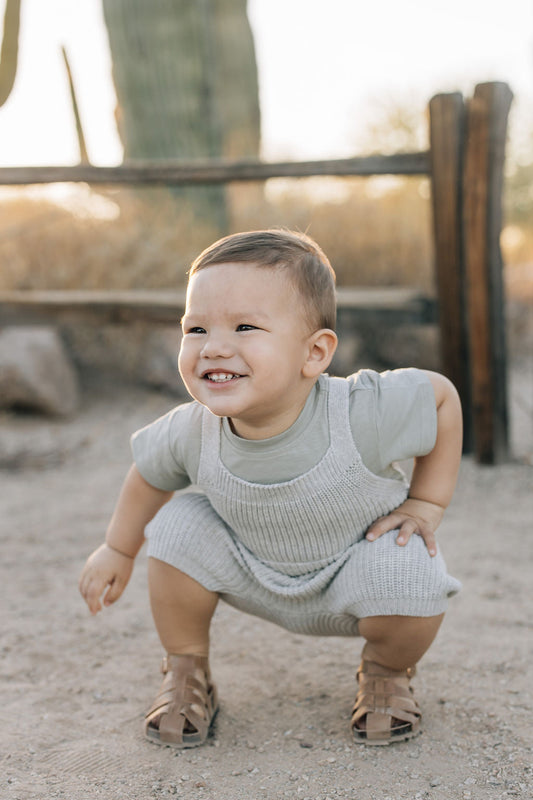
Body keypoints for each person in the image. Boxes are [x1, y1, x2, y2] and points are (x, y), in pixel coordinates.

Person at [79, 229, 462, 749]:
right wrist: (118, 548)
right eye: (196, 328)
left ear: (315, 352)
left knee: (413, 566)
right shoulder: (192, 429)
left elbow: (441, 399)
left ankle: (385, 673)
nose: (214, 347)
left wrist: (426, 502)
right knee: (175, 524)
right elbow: (149, 474)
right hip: (250, 570)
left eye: (244, 327)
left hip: (355, 570)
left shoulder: (360, 411)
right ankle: (187, 670)